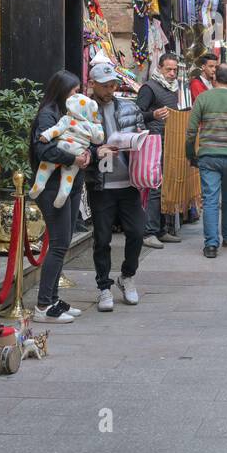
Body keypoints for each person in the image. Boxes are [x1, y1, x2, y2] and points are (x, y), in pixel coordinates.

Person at [86, 60, 148, 312]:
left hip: (128, 180)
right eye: (105, 86)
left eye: (113, 84)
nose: (111, 89)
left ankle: (127, 276)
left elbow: (142, 132)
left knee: (136, 231)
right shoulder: (84, 110)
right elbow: (76, 142)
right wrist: (95, 150)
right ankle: (103, 286)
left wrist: (137, 141)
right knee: (102, 238)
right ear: (93, 85)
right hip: (101, 184)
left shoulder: (129, 107)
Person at [29, 70, 90, 323]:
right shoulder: (48, 114)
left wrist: (86, 156)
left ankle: (53, 299)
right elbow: (43, 149)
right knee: (58, 244)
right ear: (63, 91)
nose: (78, 96)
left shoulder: (67, 114)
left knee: (62, 242)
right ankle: (44, 305)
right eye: (75, 91)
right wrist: (73, 158)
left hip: (71, 182)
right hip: (53, 186)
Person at [187, 62, 227, 258]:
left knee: (210, 200)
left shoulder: (203, 98)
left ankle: (211, 245)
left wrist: (191, 153)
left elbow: (191, 131)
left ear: (214, 78)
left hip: (209, 156)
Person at [136, 52, 186, 245]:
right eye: (169, 69)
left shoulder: (172, 88)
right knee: (155, 187)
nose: (172, 73)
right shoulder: (149, 88)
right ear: (159, 68)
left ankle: (161, 229)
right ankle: (149, 233)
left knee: (167, 186)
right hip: (154, 143)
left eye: (175, 69)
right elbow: (136, 114)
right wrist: (153, 115)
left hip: (169, 142)